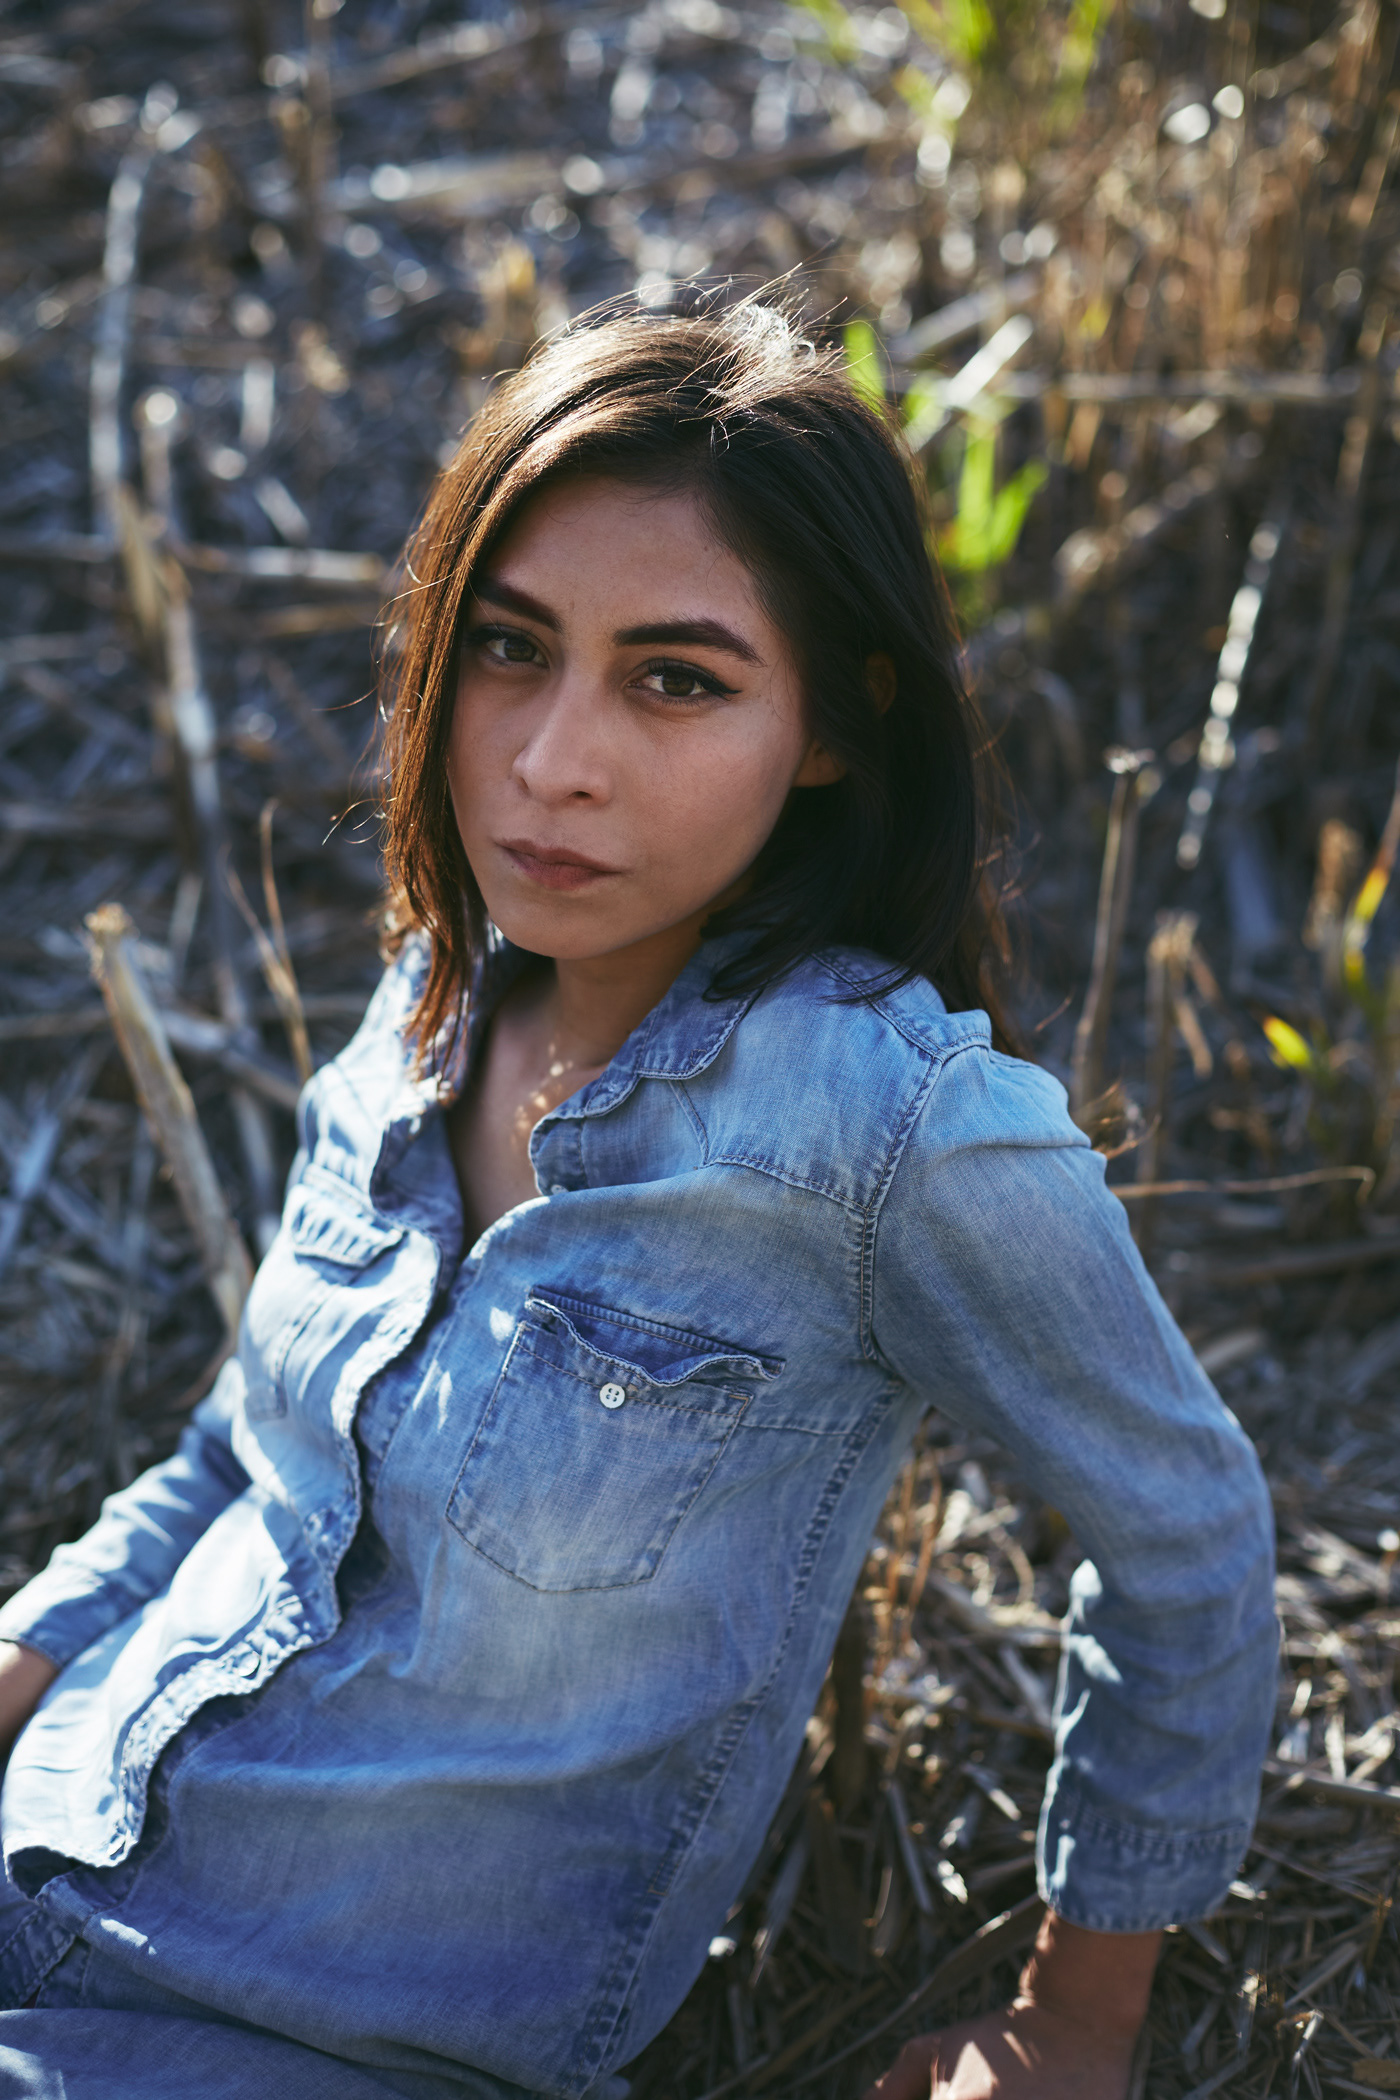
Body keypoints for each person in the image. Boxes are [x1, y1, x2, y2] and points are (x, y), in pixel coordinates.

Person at [0, 293, 1277, 2100]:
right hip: (44, 1855)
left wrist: (1079, 2023)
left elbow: (1190, 1535)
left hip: (306, 2040)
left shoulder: (886, 1127)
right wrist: (26, 1646)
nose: (549, 762)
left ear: (833, 724)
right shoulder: (433, 1005)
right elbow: (246, 1462)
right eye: (512, 650)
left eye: (676, 679)